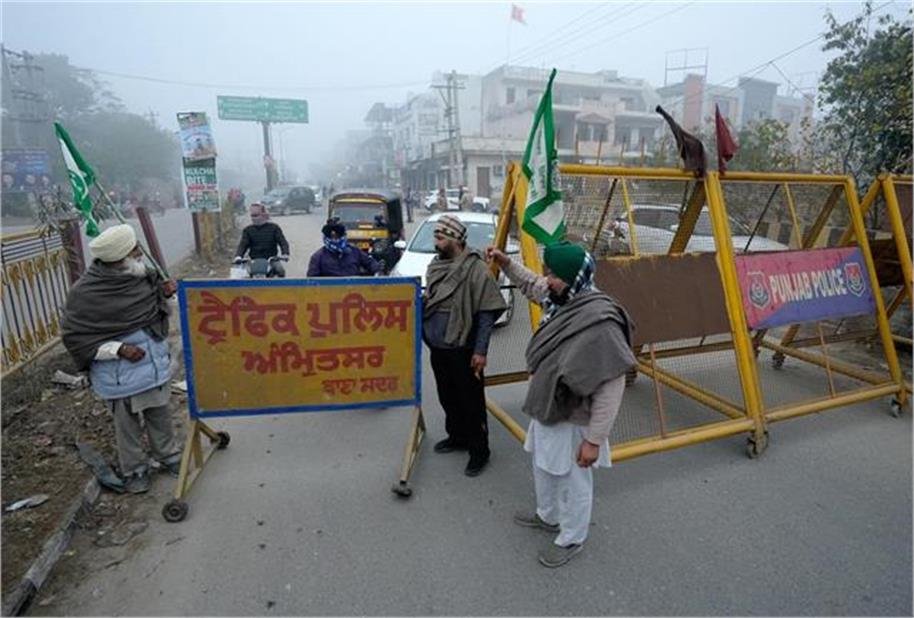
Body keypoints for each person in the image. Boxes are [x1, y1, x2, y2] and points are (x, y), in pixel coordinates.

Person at [486, 241, 635, 568]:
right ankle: (548, 516)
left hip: (576, 418)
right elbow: (529, 283)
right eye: (548, 272)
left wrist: (594, 440)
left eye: (553, 274)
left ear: (574, 276)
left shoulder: (600, 322)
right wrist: (505, 262)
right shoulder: (562, 298)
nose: (546, 279)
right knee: (544, 465)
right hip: (548, 406)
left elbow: (612, 385)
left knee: (573, 480)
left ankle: (571, 538)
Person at [61, 225, 181, 494]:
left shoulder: (141, 276)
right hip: (119, 375)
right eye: (134, 250)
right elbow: (76, 337)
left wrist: (166, 292)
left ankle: (169, 456)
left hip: (152, 366)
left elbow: (158, 308)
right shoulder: (86, 293)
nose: (140, 253)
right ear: (119, 258)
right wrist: (118, 349)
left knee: (160, 415)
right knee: (126, 427)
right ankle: (135, 469)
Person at [424, 215, 507, 476]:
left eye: (440, 237)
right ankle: (457, 437)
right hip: (439, 348)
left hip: (465, 349)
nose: (435, 241)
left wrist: (481, 351)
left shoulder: (476, 269)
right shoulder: (436, 265)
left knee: (471, 403)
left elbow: (485, 313)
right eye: (435, 236)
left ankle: (479, 451)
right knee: (447, 397)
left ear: (456, 239)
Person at [307, 219, 381, 276]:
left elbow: (370, 263)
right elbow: (312, 282)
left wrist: (377, 267)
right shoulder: (318, 257)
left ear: (343, 236)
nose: (335, 240)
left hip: (354, 292)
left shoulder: (355, 252)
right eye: (331, 237)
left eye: (337, 237)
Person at [234, 203, 290, 277]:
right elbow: (243, 244)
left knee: (280, 271)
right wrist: (238, 256)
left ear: (264, 214)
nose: (253, 218)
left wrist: (285, 253)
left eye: (256, 215)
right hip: (253, 261)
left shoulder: (274, 228)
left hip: (271, 260)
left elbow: (282, 242)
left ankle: (281, 288)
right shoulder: (248, 230)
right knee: (242, 275)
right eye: (252, 216)